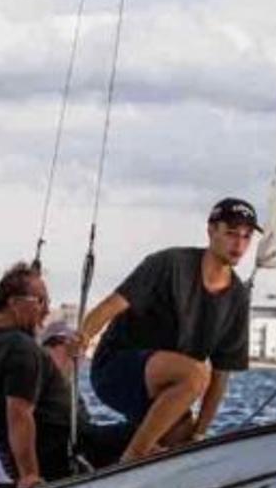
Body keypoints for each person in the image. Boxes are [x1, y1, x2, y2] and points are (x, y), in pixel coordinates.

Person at [76, 197, 260, 462]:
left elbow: (221, 374)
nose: (239, 244)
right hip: (115, 369)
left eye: (246, 236)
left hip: (167, 385)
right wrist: (82, 337)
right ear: (211, 231)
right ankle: (132, 457)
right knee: (196, 374)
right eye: (231, 234)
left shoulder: (237, 297)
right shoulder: (169, 264)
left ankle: (96, 453)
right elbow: (112, 304)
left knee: (182, 444)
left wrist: (199, 435)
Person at [0, 263, 130, 488]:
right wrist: (28, 475)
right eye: (40, 301)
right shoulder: (20, 348)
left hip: (51, 451)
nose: (46, 310)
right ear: (14, 303)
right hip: (68, 453)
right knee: (162, 430)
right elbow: (19, 415)